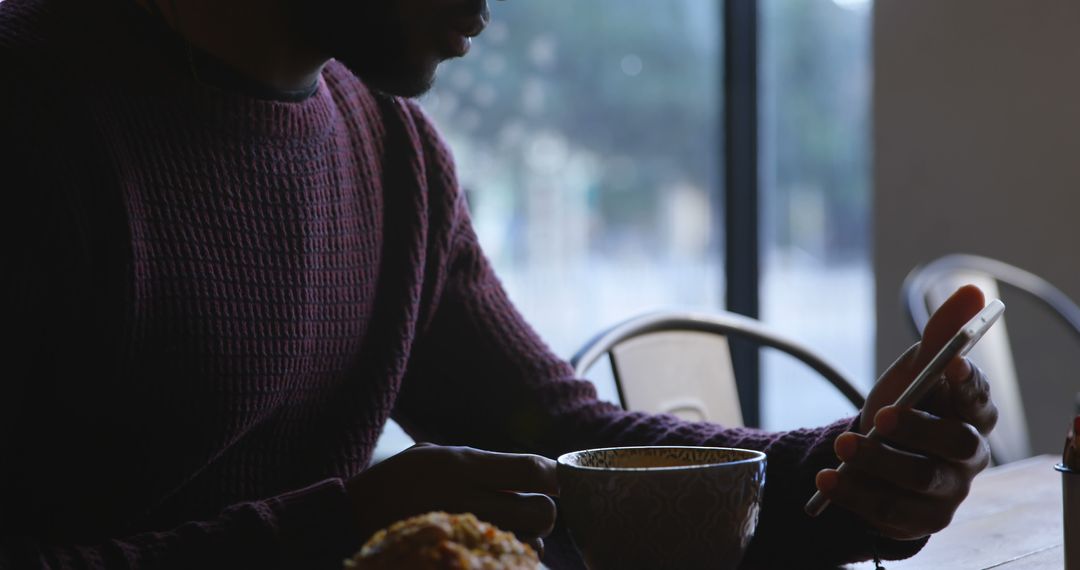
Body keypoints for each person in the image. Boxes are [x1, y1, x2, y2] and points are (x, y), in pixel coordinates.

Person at [0, 0, 997, 567]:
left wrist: (840, 474)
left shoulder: (393, 155)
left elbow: (569, 445)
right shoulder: (35, 117)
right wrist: (345, 527)